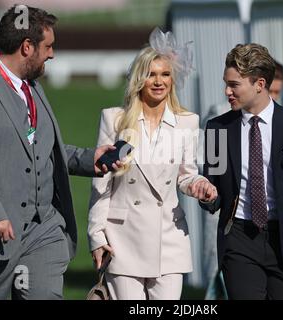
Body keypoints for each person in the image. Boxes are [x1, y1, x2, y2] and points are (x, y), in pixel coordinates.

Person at [0, 5, 120, 300]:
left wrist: (85, 158)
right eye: (48, 46)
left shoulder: (33, 88)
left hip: (43, 233)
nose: (52, 54)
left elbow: (37, 147)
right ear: (27, 47)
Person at [87, 27, 217, 300]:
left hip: (169, 238)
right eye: (151, 74)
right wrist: (96, 236)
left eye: (165, 74)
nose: (159, 82)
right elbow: (101, 184)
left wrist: (200, 185)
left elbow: (186, 175)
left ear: (173, 79)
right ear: (139, 79)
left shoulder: (187, 122)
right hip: (122, 239)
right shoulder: (115, 120)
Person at [200, 43, 283, 300]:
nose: (226, 91)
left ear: (259, 84)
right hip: (239, 239)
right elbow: (213, 189)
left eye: (234, 85)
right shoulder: (216, 129)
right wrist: (207, 195)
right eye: (226, 83)